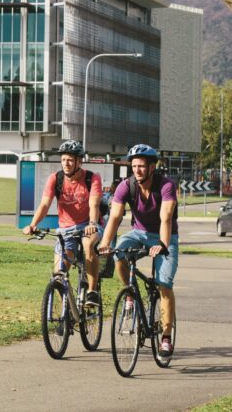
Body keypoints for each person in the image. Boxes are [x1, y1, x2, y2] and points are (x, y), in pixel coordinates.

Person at [98, 144, 178, 357]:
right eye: (134, 166)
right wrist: (105, 242)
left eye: (141, 166)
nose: (137, 170)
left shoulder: (166, 186)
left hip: (165, 236)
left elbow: (166, 218)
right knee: (119, 255)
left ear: (152, 167)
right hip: (138, 233)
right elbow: (114, 217)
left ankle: (167, 337)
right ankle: (130, 293)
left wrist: (162, 244)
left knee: (164, 284)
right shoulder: (126, 186)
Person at [23, 140, 103, 307]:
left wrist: (92, 222)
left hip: (88, 224)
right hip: (66, 229)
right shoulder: (56, 178)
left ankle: (92, 291)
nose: (66, 164)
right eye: (63, 160)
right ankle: (65, 314)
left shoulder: (92, 178)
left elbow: (94, 204)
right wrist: (32, 224)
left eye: (70, 160)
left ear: (79, 162)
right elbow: (45, 204)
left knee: (88, 245)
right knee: (59, 273)